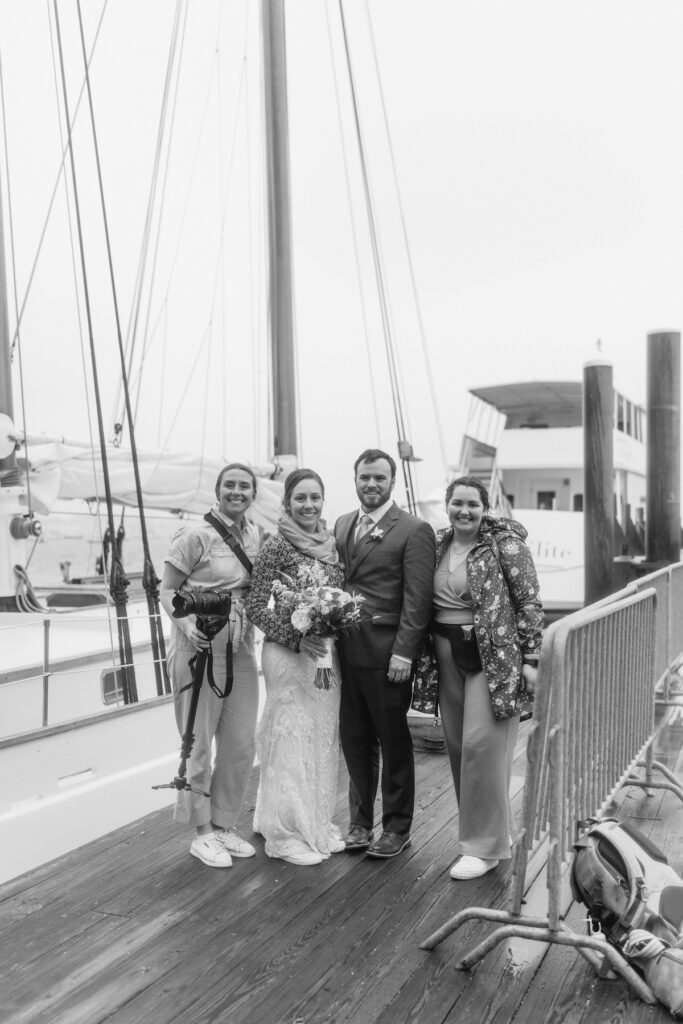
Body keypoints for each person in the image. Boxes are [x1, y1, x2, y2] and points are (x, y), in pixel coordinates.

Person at [431, 475, 543, 880]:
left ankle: (483, 848)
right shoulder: (439, 545)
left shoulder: (505, 544)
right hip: (446, 652)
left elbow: (528, 599)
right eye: (457, 503)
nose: (465, 511)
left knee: (484, 746)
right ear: (448, 506)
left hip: (493, 656)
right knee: (460, 746)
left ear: (485, 506)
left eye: (473, 505)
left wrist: (531, 658)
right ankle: (492, 832)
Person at [160, 463, 263, 868]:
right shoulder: (194, 535)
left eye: (245, 486)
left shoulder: (254, 534)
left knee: (240, 743)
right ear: (218, 491)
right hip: (198, 644)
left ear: (253, 493)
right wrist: (184, 623)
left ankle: (223, 825)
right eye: (230, 485)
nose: (237, 492)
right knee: (198, 742)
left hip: (240, 646)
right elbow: (166, 589)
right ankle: (200, 832)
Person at [334, 448, 435, 859]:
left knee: (393, 743)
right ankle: (359, 823)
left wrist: (404, 654)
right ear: (355, 479)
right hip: (344, 652)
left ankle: (397, 828)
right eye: (364, 477)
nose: (371, 484)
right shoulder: (342, 524)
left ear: (391, 481)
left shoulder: (413, 530)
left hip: (387, 655)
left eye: (379, 477)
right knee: (354, 741)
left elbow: (418, 600)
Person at [246, 468, 346, 866]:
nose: (308, 505)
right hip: (287, 655)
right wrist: (295, 636)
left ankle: (316, 821)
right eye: (300, 498)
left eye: (315, 498)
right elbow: (256, 605)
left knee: (321, 736)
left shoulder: (332, 544)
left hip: (324, 656)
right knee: (290, 738)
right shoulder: (276, 545)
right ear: (287, 503)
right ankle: (286, 832)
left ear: (323, 501)